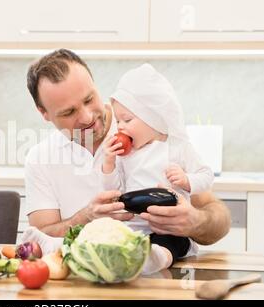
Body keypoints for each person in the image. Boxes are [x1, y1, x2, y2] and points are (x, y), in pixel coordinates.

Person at [21, 48, 230, 272]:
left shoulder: (145, 129)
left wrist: (195, 221)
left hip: (164, 278)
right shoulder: (40, 159)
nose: (87, 117)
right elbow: (41, 236)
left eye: (89, 99)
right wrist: (86, 216)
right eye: (69, 112)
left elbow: (219, 218)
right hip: (84, 282)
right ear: (44, 113)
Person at [100, 63, 215, 271]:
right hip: (134, 228)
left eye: (127, 119)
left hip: (170, 228)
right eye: (118, 120)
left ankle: (157, 258)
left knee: (171, 241)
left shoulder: (177, 147)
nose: (120, 126)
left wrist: (187, 181)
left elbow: (206, 175)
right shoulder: (127, 155)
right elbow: (114, 190)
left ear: (152, 118)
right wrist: (108, 164)